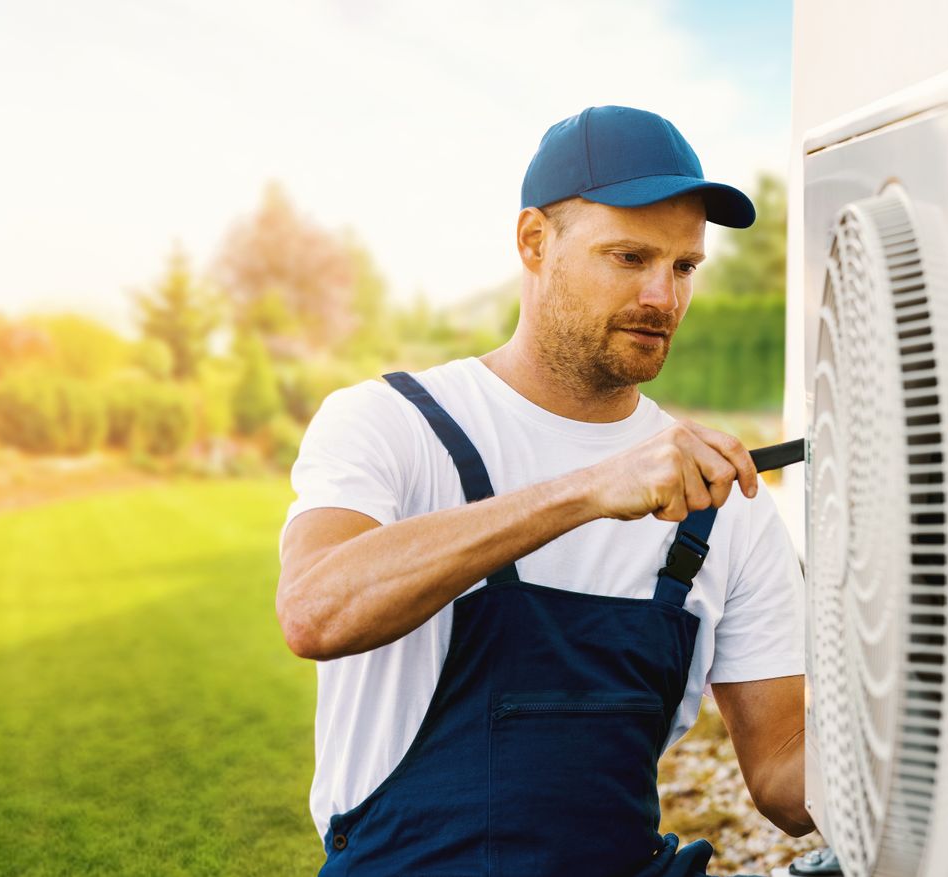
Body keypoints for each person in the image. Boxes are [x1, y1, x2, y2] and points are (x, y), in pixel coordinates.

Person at [276, 105, 811, 877]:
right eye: (629, 257)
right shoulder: (390, 424)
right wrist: (589, 489)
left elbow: (785, 781)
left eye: (684, 266)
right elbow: (314, 608)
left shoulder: (724, 497)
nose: (663, 297)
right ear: (534, 241)